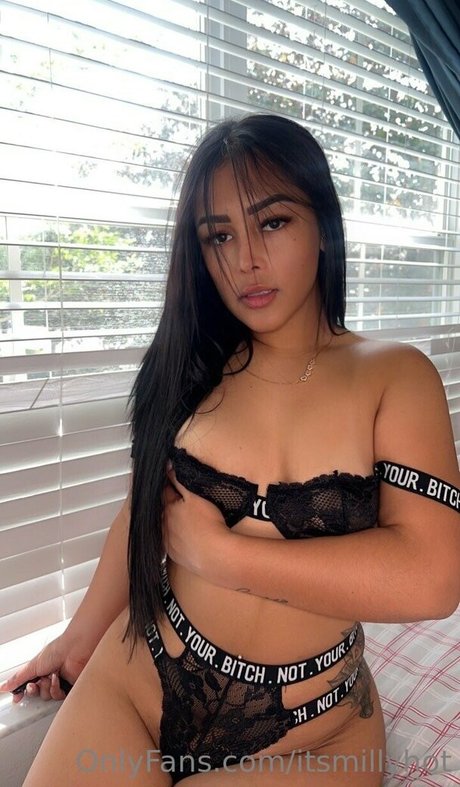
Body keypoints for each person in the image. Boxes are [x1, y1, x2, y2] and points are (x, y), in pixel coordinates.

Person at [2, 113, 459, 786]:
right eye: (219, 235)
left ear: (323, 225)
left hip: (314, 734)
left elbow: (434, 578)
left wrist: (220, 555)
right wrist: (75, 642)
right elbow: (142, 511)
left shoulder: (394, 375)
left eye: (272, 222)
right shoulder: (193, 365)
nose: (245, 259)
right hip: (142, 679)